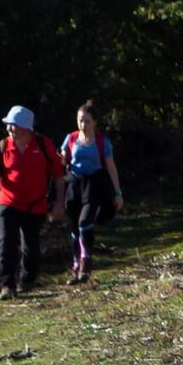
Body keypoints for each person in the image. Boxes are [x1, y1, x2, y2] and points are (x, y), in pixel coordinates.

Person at [0, 105, 64, 299]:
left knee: (31, 247)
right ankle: (7, 285)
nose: (9, 128)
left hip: (35, 205)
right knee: (6, 243)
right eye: (8, 124)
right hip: (8, 203)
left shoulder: (43, 145)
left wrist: (59, 202)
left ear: (26, 127)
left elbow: (58, 174)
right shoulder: (2, 146)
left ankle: (27, 280)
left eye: (13, 125)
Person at [59, 100, 124, 284]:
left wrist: (117, 192)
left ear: (95, 122)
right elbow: (62, 162)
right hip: (74, 184)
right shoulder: (70, 139)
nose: (83, 124)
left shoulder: (103, 142)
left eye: (87, 121)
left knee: (84, 222)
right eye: (80, 120)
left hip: (94, 184)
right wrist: (60, 162)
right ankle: (76, 265)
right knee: (73, 225)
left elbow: (111, 166)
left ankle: (86, 261)